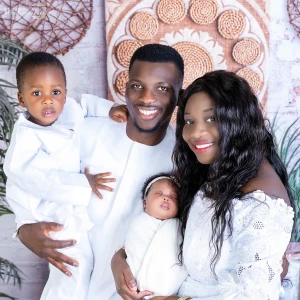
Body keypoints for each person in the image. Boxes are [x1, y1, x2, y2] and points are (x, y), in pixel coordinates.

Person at [13, 44, 184, 299]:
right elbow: (30, 174)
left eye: (162, 89)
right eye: (137, 85)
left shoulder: (182, 159)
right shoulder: (83, 130)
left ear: (179, 96)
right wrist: (23, 228)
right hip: (67, 286)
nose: (147, 98)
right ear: (125, 87)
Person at [112, 70, 294, 300]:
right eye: (189, 121)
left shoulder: (260, 204)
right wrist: (120, 259)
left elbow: (254, 295)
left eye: (211, 119)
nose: (195, 132)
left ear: (238, 120)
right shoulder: (220, 167)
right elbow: (158, 219)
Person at [3, 52, 127, 299]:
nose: (48, 101)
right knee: (73, 264)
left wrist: (111, 109)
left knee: (85, 262)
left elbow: (85, 103)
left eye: (56, 92)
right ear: (21, 99)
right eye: (37, 94)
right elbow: (40, 180)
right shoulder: (26, 139)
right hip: (44, 208)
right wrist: (84, 183)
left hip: (65, 202)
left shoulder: (68, 108)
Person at [124, 173, 187, 298]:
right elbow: (131, 250)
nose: (166, 198)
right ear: (145, 203)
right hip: (138, 288)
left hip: (170, 291)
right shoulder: (138, 223)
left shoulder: (178, 226)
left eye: (173, 197)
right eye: (160, 193)